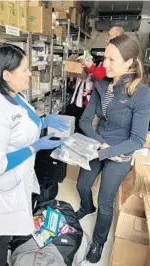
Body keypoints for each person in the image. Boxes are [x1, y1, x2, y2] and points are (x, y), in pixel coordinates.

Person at [0, 43, 68, 266]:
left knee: (10, 228)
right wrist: (36, 147)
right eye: (24, 69)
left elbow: (22, 125)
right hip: (0, 187)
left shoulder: (14, 95)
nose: (30, 73)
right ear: (7, 74)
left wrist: (44, 121)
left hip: (18, 177)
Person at [76, 35, 150, 263]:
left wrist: (108, 152)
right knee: (82, 185)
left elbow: (137, 140)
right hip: (100, 143)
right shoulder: (102, 87)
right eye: (104, 58)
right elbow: (85, 122)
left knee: (106, 200)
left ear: (129, 63)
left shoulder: (141, 93)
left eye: (111, 59)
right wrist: (101, 145)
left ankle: (98, 241)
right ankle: (87, 207)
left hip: (121, 152)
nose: (103, 64)